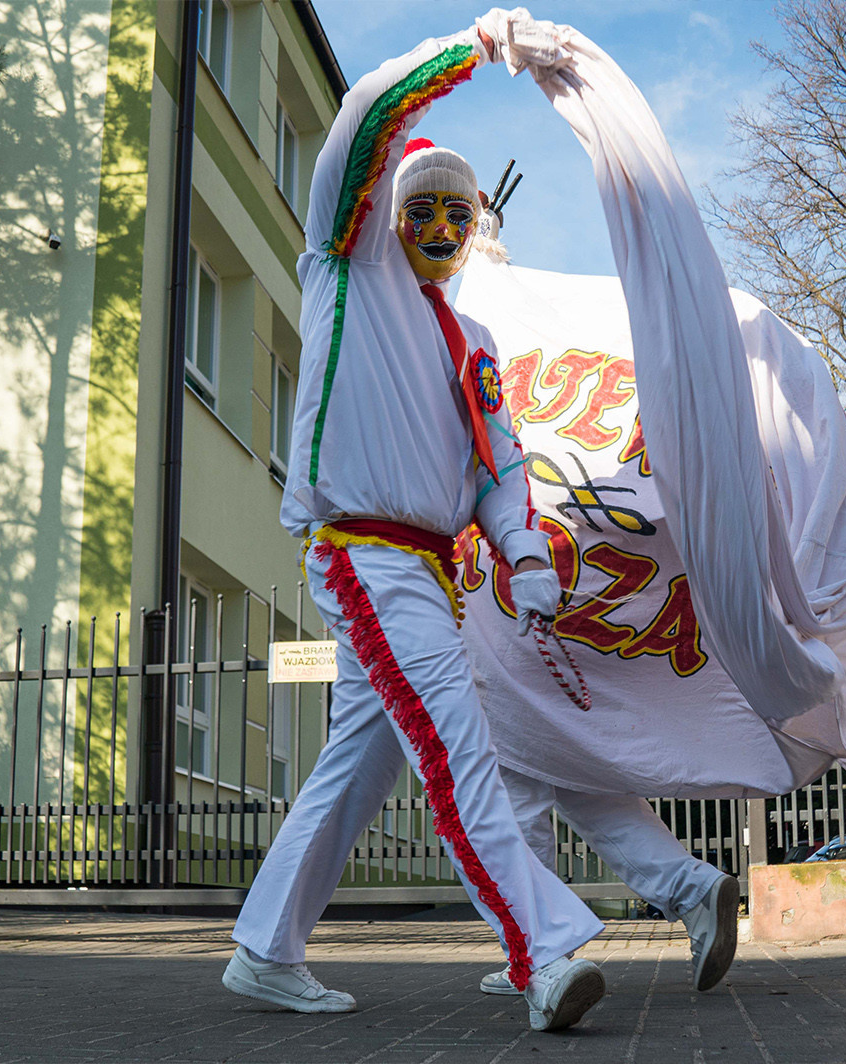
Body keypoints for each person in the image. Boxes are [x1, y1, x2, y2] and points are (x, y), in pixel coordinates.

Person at [222, 26, 607, 1033]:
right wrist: (468, 49)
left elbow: (500, 464)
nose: (439, 223)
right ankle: (541, 951)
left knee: (363, 757)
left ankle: (266, 947)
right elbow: (361, 125)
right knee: (455, 742)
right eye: (420, 207)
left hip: (428, 571)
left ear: (476, 225)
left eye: (458, 211)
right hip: (364, 555)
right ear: (383, 216)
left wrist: (525, 554)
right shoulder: (346, 267)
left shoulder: (470, 337)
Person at [444, 202, 846, 1000]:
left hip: (517, 602)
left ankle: (540, 952)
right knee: (570, 772)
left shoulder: (465, 326)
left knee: (498, 785)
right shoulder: (480, 317)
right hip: (553, 607)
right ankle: (685, 887)